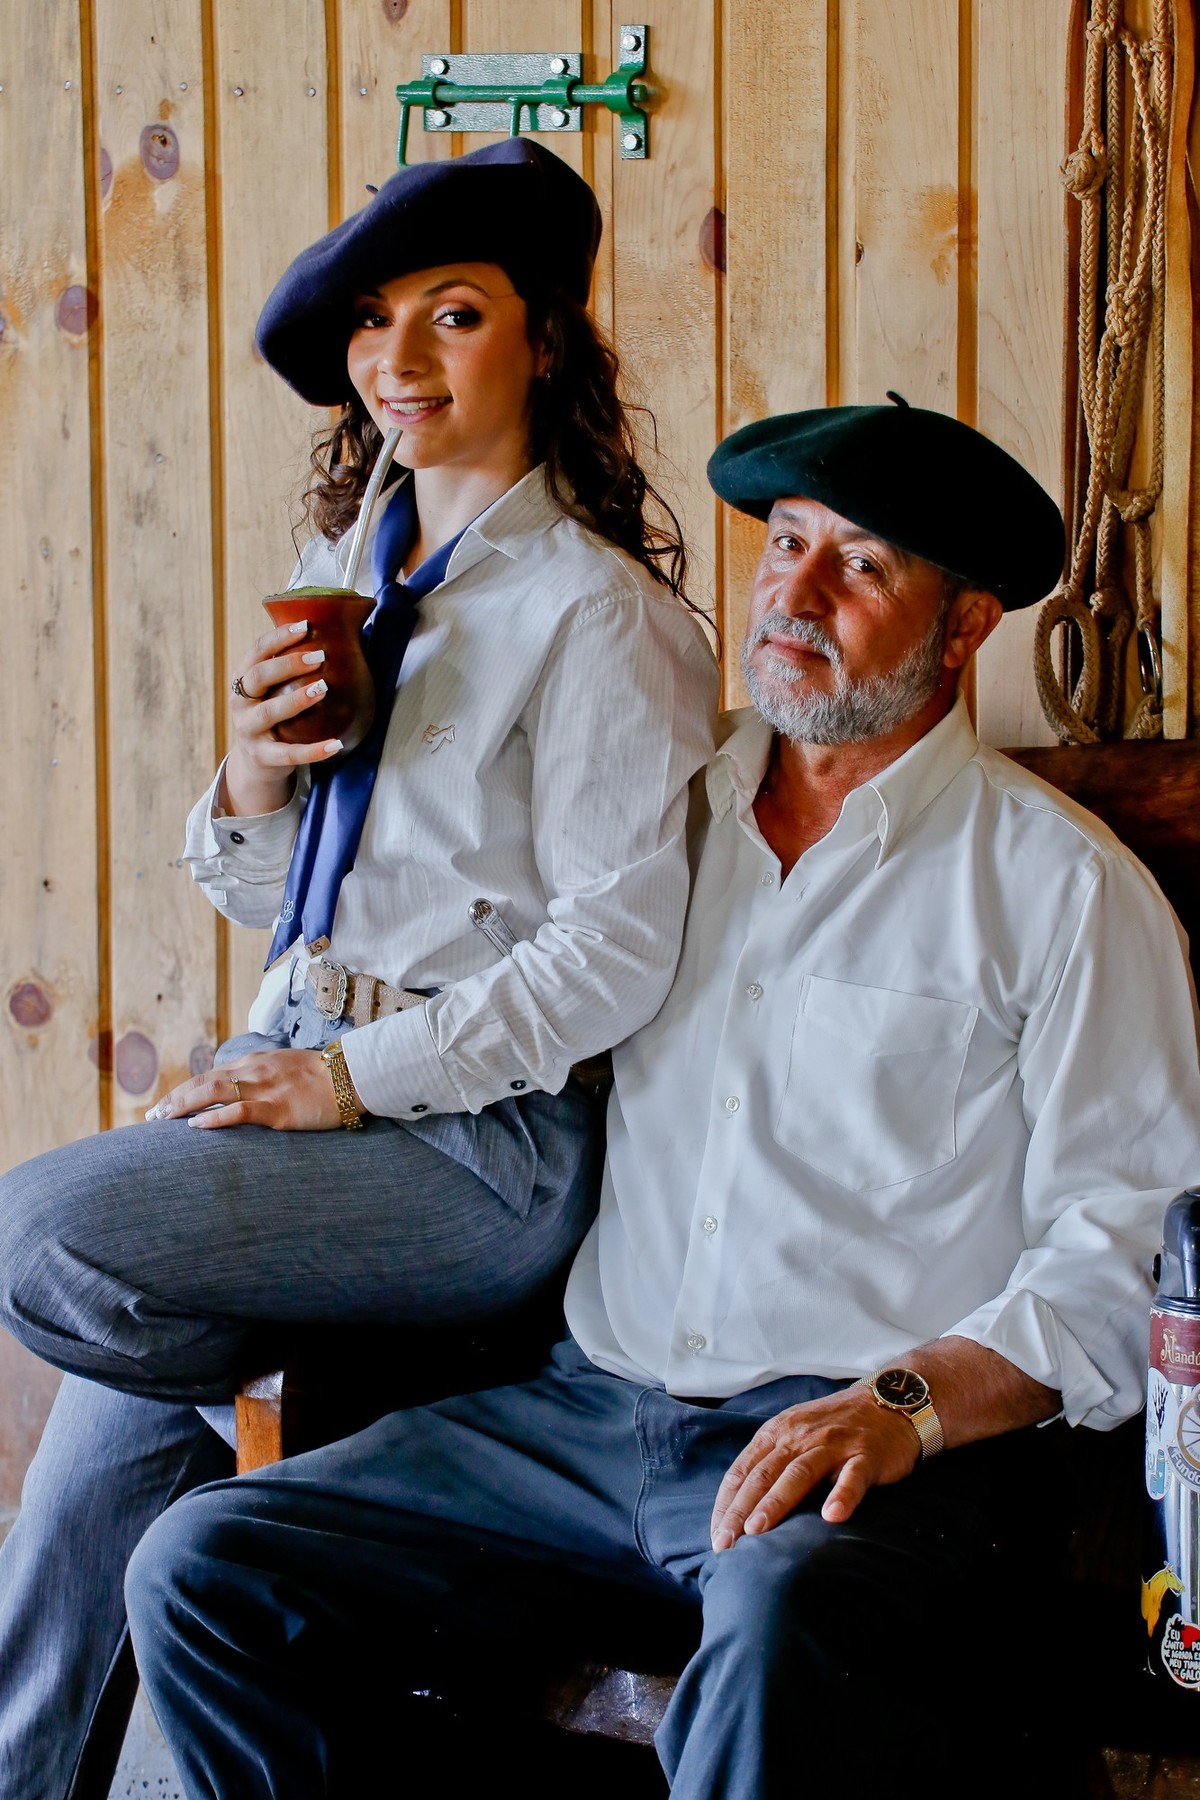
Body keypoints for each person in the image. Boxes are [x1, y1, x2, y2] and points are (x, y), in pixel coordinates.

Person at [121, 397, 1200, 1799]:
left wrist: (901, 1405)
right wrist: (273, 826)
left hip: (877, 1446)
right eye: (787, 544)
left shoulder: (1063, 889)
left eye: (862, 566)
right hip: (586, 1418)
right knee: (207, 1568)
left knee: (782, 1626)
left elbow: (1123, 1258)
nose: (796, 594)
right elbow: (412, 932)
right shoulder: (653, 818)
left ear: (967, 626)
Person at [0, 138, 718, 1799]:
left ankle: (334, 1434)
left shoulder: (603, 621)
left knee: (40, 1238)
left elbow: (612, 957)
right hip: (308, 1078)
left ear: (546, 342)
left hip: (485, 1153)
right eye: (374, 322)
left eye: (453, 315)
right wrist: (256, 775)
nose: (400, 359)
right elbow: (284, 902)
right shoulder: (353, 580)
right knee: (81, 1513)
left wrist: (341, 1082)